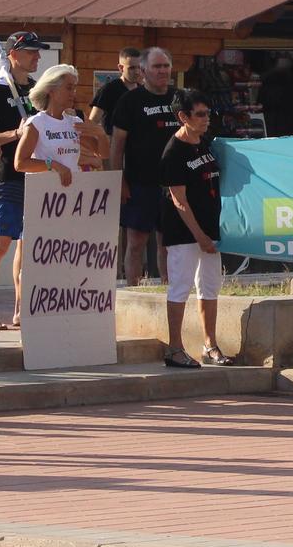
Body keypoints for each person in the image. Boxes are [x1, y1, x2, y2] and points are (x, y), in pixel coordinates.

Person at [0, 31, 43, 329]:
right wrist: (15, 134)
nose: (37, 57)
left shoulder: (40, 90)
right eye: (31, 51)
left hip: (37, 174)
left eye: (38, 51)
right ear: (13, 54)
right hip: (9, 176)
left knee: (28, 246)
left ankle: (20, 309)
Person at [157, 90, 228, 367]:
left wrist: (211, 234)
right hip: (185, 232)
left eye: (208, 113)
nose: (206, 119)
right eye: (199, 114)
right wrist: (199, 236)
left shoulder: (206, 143)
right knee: (180, 287)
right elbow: (179, 200)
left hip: (211, 230)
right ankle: (174, 348)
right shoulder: (173, 152)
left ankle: (210, 344)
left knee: (210, 287)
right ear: (183, 117)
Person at [111, 46, 180, 286]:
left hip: (174, 184)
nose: (162, 71)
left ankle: (170, 291)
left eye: (165, 66)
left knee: (168, 243)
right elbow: (117, 144)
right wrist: (118, 180)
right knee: (136, 241)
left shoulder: (179, 99)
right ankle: (133, 290)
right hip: (139, 184)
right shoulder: (130, 101)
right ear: (143, 70)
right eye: (156, 66)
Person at [14, 64, 86, 193]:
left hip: (73, 193)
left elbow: (101, 153)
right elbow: (20, 164)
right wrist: (53, 165)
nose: (73, 94)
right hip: (45, 198)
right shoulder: (36, 123)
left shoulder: (76, 122)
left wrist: (101, 134)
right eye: (69, 88)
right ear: (51, 91)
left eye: (74, 89)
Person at [91, 48, 142, 135]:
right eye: (132, 68)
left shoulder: (142, 91)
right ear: (121, 68)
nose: (137, 72)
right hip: (113, 143)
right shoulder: (109, 90)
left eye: (139, 67)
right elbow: (93, 121)